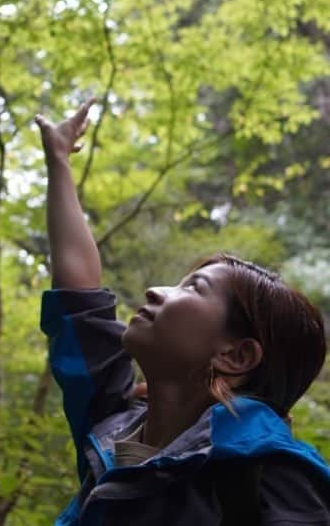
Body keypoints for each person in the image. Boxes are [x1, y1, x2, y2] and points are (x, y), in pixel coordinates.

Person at [35, 98, 330, 526]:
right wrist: (59, 161)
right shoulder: (111, 427)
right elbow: (80, 302)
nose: (155, 291)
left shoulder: (275, 474)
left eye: (193, 287)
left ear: (236, 355)